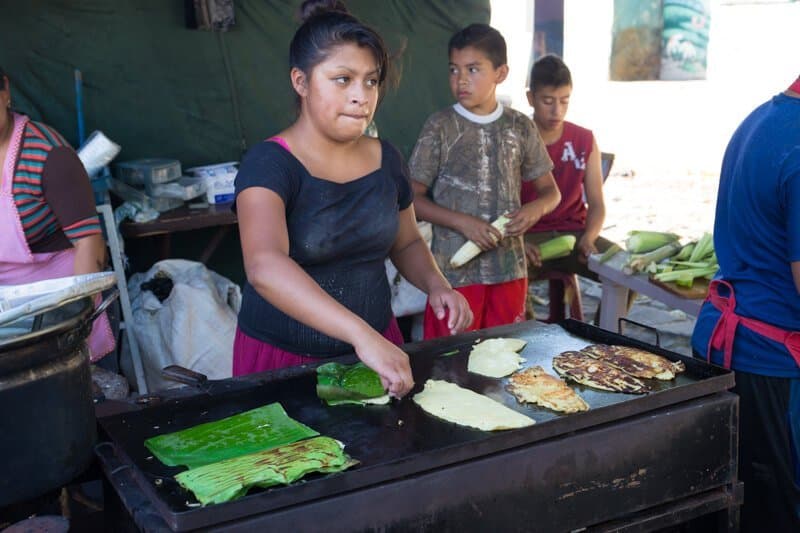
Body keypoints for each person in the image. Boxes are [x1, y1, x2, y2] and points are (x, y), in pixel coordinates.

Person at [232, 0, 472, 398]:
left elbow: (407, 241)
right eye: (342, 79)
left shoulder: (387, 159)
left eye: (371, 81)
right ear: (301, 81)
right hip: (285, 362)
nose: (361, 96)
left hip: (378, 352)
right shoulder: (269, 165)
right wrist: (362, 336)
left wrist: (436, 284)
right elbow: (264, 265)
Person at [691, 76, 800, 532]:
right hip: (773, 366)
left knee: (738, 506)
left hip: (725, 346)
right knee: (779, 513)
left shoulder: (765, 118)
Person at [409, 24, 560, 339]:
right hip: (453, 275)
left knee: (503, 360)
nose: (461, 79)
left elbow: (551, 192)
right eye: (454, 69)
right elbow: (413, 199)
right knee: (449, 365)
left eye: (473, 69)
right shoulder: (440, 126)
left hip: (510, 270)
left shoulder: (519, 126)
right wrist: (462, 222)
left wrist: (534, 211)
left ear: (500, 73)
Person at [0, 66, 114, 362]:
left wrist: (78, 320)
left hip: (57, 302)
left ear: (5, 92)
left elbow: (89, 243)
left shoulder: (48, 154)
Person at [522, 54, 622, 320]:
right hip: (529, 237)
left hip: (575, 234)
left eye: (564, 101)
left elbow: (597, 204)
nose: (557, 111)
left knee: (625, 271)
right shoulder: (516, 138)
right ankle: (532, 340)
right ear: (531, 98)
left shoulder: (584, 139)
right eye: (548, 101)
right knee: (506, 273)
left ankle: (601, 339)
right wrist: (516, 240)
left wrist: (589, 237)